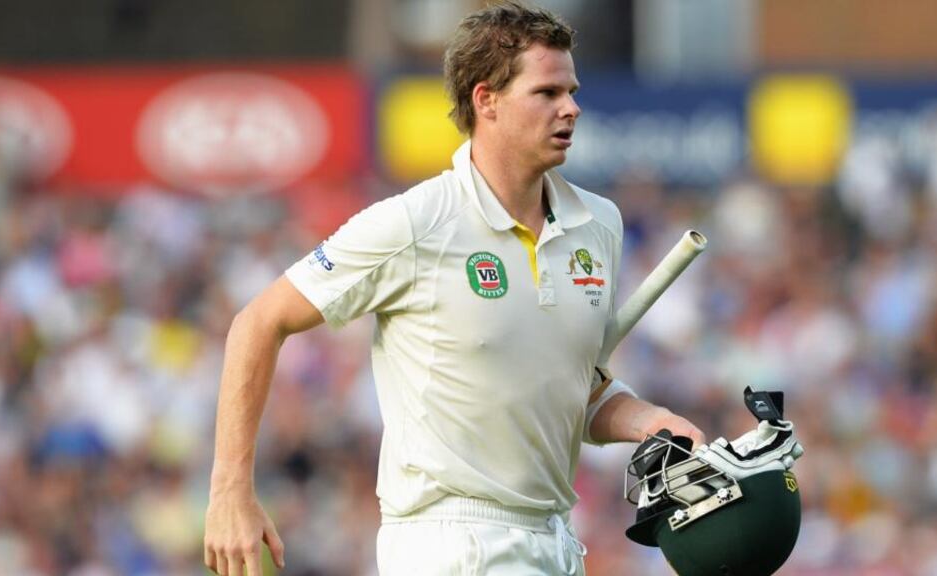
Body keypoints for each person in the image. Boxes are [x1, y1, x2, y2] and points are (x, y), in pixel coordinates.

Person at [203, 2, 705, 575]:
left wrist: (650, 422)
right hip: (448, 542)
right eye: (546, 93)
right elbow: (258, 323)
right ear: (485, 99)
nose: (571, 108)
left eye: (571, 90)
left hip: (557, 540)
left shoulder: (600, 224)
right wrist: (228, 492)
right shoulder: (416, 222)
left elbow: (574, 389)